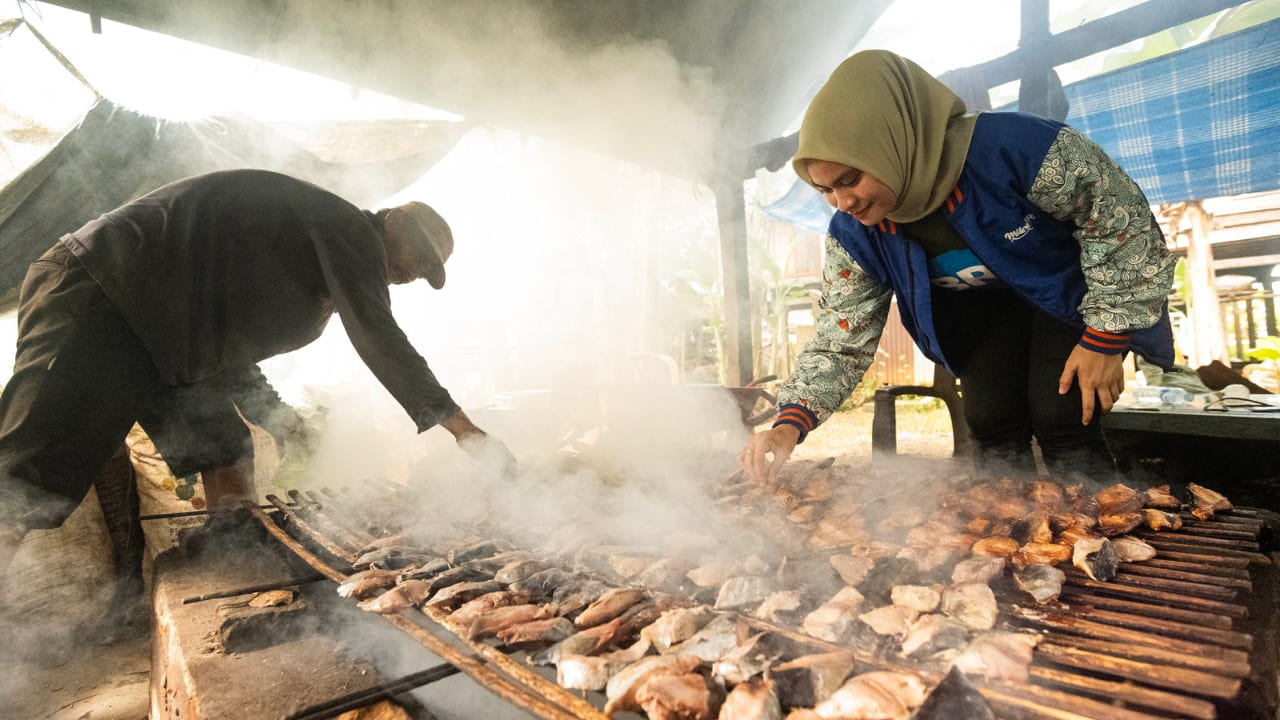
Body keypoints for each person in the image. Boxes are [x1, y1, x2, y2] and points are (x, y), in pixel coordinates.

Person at [0, 168, 516, 580]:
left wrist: (278, 417)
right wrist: (462, 429)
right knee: (27, 478)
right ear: (394, 225)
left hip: (163, 336)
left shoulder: (322, 268)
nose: (416, 274)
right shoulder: (351, 230)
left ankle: (229, 555)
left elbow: (228, 353)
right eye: (420, 257)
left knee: (224, 446)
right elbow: (378, 335)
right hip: (102, 291)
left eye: (429, 271)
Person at [741, 50, 1175, 486]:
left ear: (893, 142)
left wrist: (1105, 339)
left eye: (851, 180)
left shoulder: (1022, 150)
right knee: (991, 421)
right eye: (825, 190)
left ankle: (1097, 527)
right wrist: (788, 425)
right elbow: (841, 338)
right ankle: (1012, 529)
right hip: (978, 313)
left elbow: (1124, 226)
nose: (843, 203)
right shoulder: (854, 233)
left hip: (1065, 298)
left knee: (1062, 413)